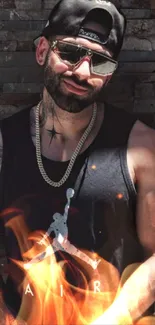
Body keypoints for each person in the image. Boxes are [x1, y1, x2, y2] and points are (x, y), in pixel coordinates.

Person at [0, 0, 155, 323]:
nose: (83, 72)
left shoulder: (141, 149)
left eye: (100, 63)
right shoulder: (5, 143)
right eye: (70, 53)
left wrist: (116, 317)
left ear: (110, 76)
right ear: (42, 51)